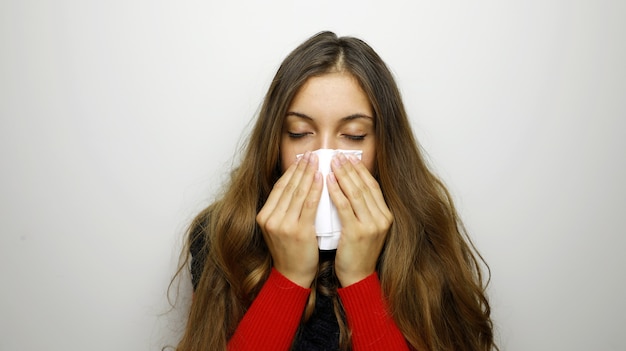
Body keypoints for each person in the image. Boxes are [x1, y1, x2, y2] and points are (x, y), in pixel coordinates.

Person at [174, 31, 498, 351]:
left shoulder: (425, 237)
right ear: (275, 141)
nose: (324, 157)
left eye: (354, 136)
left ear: (384, 146)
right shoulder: (221, 234)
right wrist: (289, 278)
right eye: (299, 133)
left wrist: (360, 279)